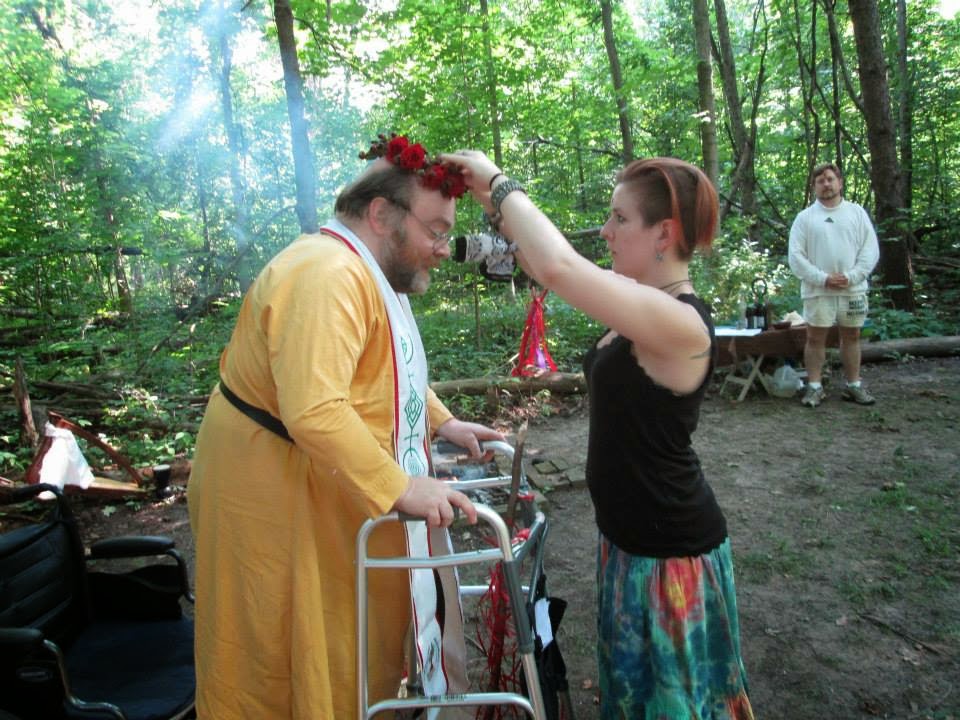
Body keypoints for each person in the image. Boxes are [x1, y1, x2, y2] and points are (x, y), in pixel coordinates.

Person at [187, 133, 504, 719]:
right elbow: (315, 407)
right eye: (435, 231)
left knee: (338, 637)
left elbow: (383, 368)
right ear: (381, 214)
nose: (443, 249)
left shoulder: (365, 271)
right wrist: (401, 487)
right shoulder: (326, 273)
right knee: (281, 647)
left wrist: (443, 422)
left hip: (314, 479)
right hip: (272, 491)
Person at [441, 150, 753, 719]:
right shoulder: (637, 300)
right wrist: (487, 199)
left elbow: (560, 266)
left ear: (665, 233)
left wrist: (498, 179)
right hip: (628, 545)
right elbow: (542, 260)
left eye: (619, 218)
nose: (606, 230)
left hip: (670, 557)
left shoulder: (682, 322)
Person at [788, 162, 880, 408]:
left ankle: (853, 386)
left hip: (853, 290)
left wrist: (852, 276)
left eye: (830, 179)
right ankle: (814, 387)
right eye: (821, 181)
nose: (826, 184)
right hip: (818, 291)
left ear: (840, 182)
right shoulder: (805, 218)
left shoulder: (856, 213)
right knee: (815, 337)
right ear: (814, 186)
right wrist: (823, 278)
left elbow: (870, 251)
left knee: (852, 335)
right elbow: (796, 257)